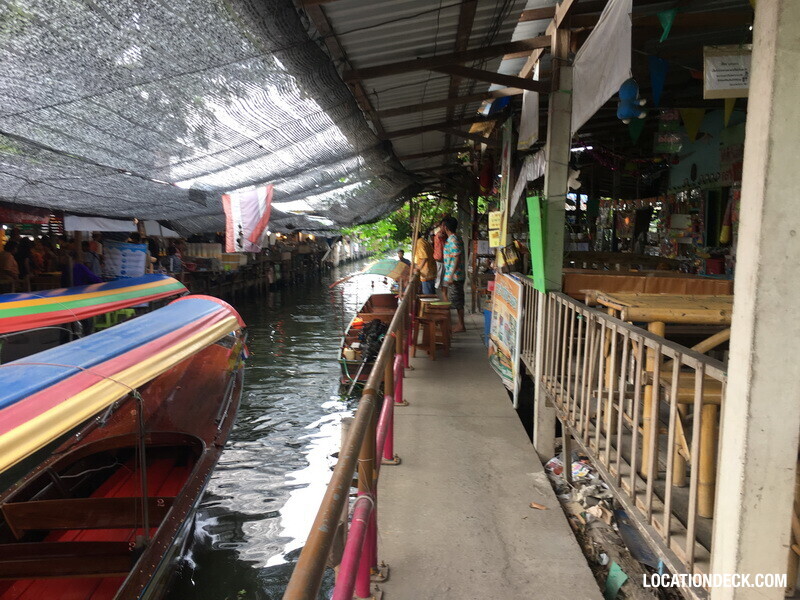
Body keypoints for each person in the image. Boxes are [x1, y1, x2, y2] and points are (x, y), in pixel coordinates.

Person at [441, 216, 466, 333]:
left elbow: (456, 256)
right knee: (455, 300)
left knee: (457, 301)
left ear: (445, 227)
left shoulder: (453, 239)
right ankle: (460, 324)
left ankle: (461, 325)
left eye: (442, 226)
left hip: (455, 276)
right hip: (454, 275)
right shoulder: (453, 238)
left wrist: (450, 275)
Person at [413, 230, 436, 295]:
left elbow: (424, 257)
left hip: (426, 273)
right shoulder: (424, 241)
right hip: (430, 271)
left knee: (428, 295)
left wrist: (418, 268)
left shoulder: (419, 243)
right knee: (431, 292)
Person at [432, 221, 446, 294]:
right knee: (438, 280)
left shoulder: (442, 235)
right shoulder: (439, 235)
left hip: (442, 260)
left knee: (442, 281)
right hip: (439, 260)